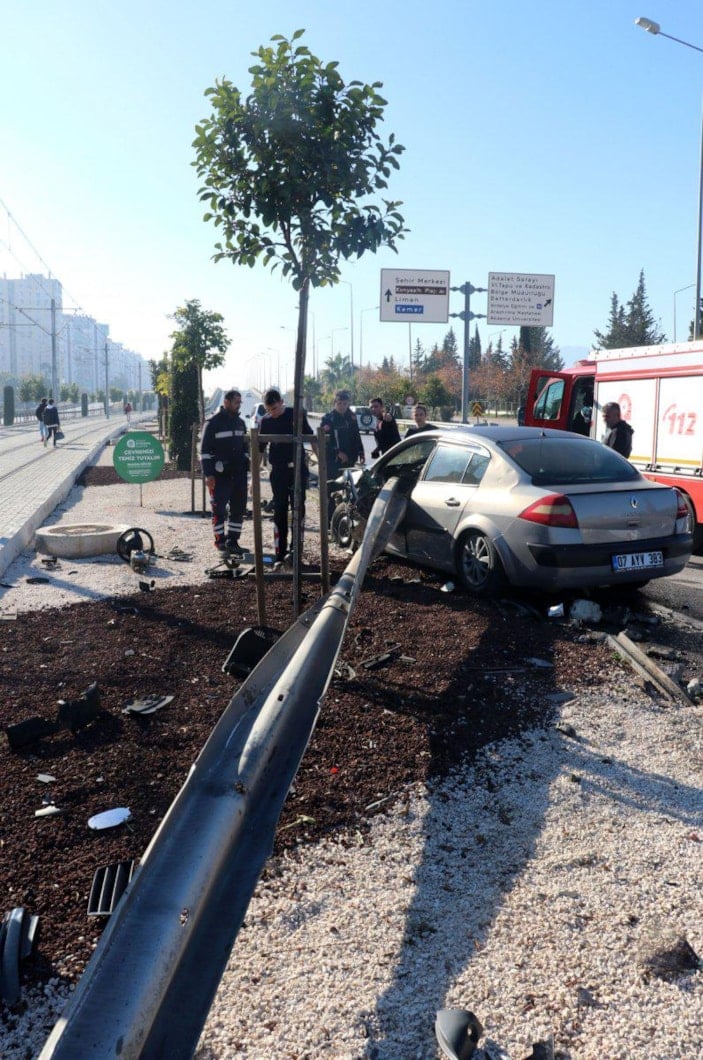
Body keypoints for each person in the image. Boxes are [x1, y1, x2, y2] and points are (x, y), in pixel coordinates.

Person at [259, 388, 318, 566]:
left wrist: (320, 464)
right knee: (280, 511)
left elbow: (312, 439)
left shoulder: (296, 415)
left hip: (297, 471)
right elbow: (260, 450)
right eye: (269, 410)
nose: (272, 413)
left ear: (281, 402)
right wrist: (253, 475)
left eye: (275, 409)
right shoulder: (266, 421)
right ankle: (280, 553)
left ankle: (296, 552)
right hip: (278, 472)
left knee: (298, 510)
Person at [200, 388, 250, 555]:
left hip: (239, 476)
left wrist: (247, 466)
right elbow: (205, 451)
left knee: (238, 509)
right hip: (220, 477)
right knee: (219, 509)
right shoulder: (213, 423)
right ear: (226, 402)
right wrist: (209, 474)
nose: (239, 405)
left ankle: (233, 541)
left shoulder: (241, 423)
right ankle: (220, 542)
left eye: (239, 403)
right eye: (236, 402)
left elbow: (245, 448)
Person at [320, 390, 365, 523]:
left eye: (345, 404)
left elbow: (356, 436)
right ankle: (329, 522)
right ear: (335, 403)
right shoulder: (328, 419)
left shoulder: (351, 417)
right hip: (333, 461)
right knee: (331, 490)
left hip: (350, 459)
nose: (342, 406)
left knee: (348, 490)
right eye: (339, 403)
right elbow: (324, 442)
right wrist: (337, 453)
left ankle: (346, 519)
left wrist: (361, 452)